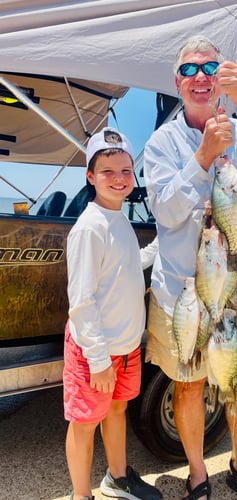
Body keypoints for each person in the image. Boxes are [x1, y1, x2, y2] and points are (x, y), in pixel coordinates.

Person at [143, 35, 237, 500]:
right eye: (189, 71)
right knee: (187, 387)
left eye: (209, 69)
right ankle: (196, 471)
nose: (200, 78)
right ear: (177, 83)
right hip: (185, 297)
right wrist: (203, 157)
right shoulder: (161, 144)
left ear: (223, 79)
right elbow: (165, 213)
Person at [63, 126, 162, 500]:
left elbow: (127, 266)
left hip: (125, 346)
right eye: (108, 171)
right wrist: (99, 359)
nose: (119, 179)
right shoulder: (89, 227)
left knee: (117, 411)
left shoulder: (118, 218)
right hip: (97, 352)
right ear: (90, 176)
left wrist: (159, 245)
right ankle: (80, 495)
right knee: (84, 423)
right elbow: (82, 301)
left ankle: (117, 478)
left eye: (125, 170)